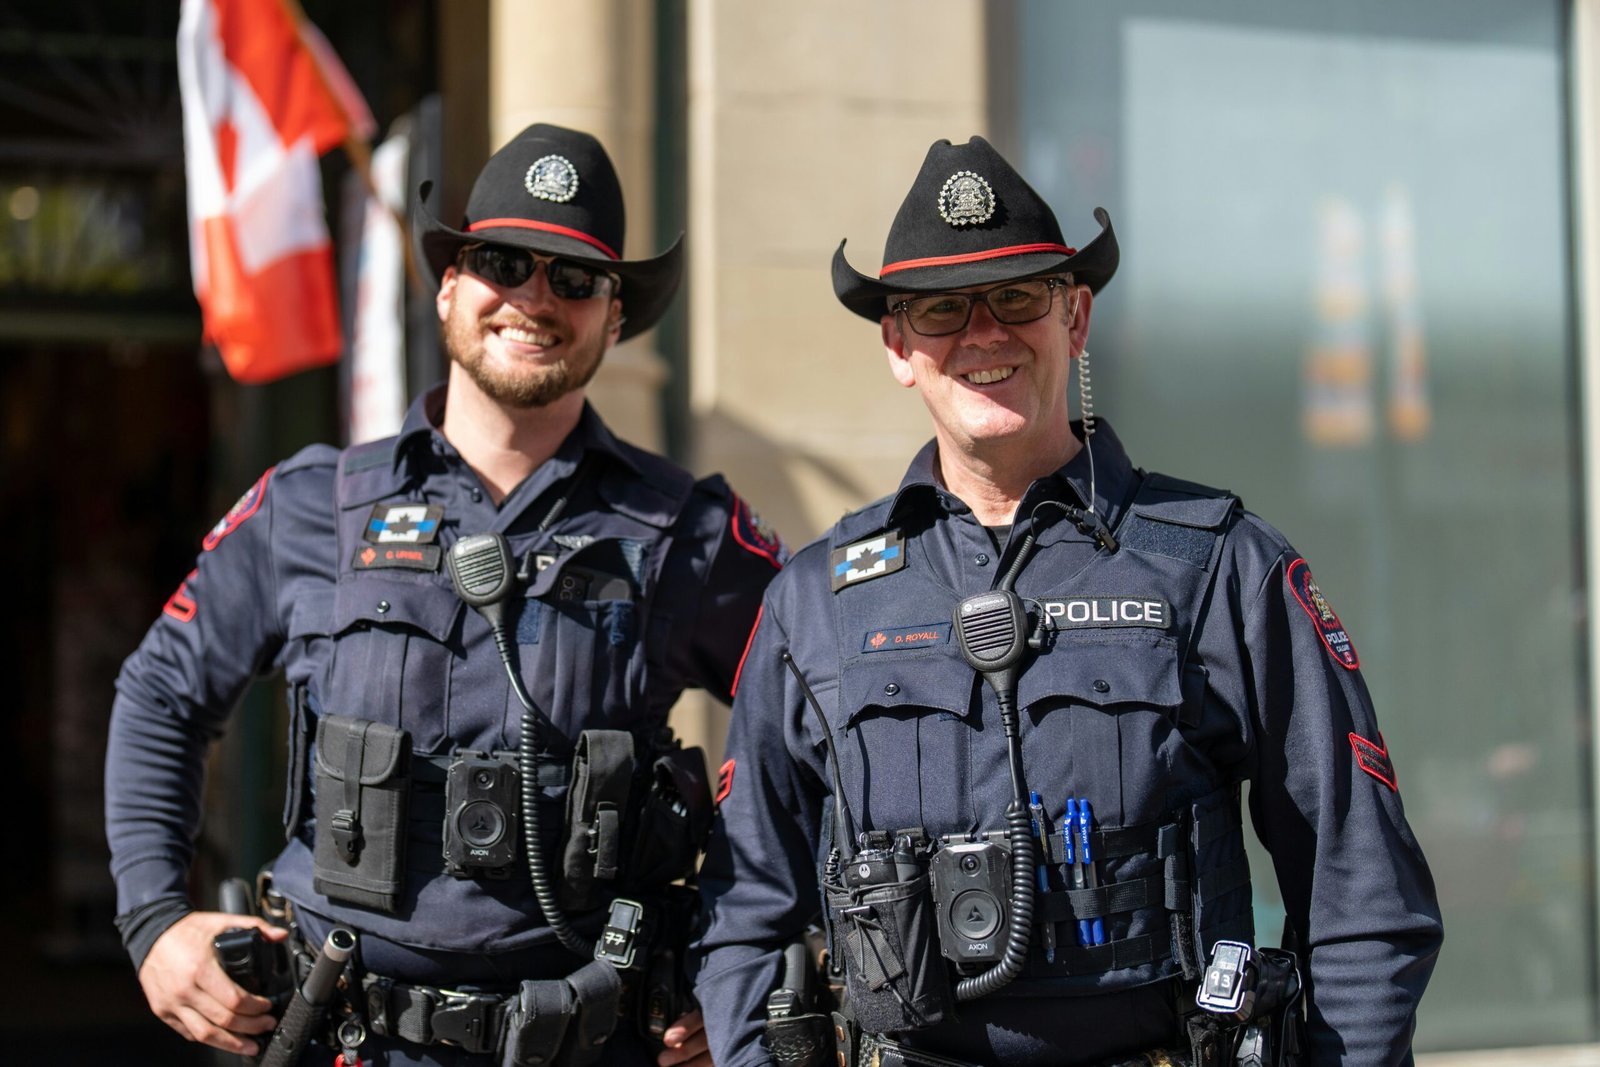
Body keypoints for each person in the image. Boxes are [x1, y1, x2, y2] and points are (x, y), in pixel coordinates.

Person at [693, 136, 1442, 1067]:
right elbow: (743, 908)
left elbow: (1362, 895)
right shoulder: (818, 598)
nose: (983, 333)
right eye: (941, 309)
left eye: (1018, 297)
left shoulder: (1221, 568)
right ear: (898, 344)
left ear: (1075, 317)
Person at [106, 123, 786, 1067]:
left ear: (615, 316)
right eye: (505, 261)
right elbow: (160, 692)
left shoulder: (690, 533)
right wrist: (153, 916)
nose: (534, 299)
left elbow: (825, 724)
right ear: (450, 286)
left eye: (575, 278)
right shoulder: (314, 505)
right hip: (342, 1036)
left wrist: (749, 959)